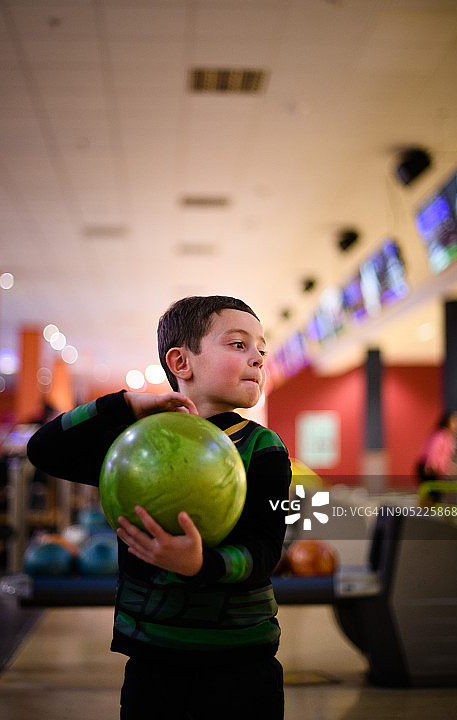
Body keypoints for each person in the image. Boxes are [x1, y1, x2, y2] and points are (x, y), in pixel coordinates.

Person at [27, 295, 292, 720]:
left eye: (262, 347)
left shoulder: (265, 448)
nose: (258, 357)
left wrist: (201, 564)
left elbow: (265, 551)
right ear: (181, 362)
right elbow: (42, 450)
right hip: (153, 658)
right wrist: (123, 403)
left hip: (242, 660)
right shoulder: (136, 443)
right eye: (239, 345)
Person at [417, 409, 457, 493]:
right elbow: (434, 452)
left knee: (436, 495)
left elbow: (445, 458)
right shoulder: (441, 434)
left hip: (435, 469)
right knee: (431, 494)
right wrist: (432, 464)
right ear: (447, 422)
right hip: (427, 467)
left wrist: (448, 467)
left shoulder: (451, 439)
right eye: (454, 421)